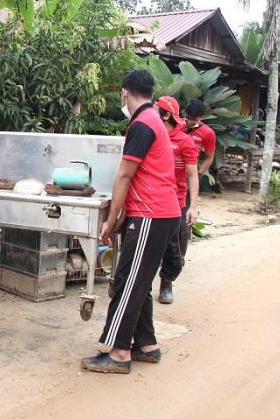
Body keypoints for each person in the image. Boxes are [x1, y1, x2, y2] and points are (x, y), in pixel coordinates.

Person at [81, 70, 180, 374]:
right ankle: (146, 345)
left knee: (128, 284)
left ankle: (120, 352)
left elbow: (124, 175)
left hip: (151, 214)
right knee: (136, 281)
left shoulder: (142, 125)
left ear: (125, 93)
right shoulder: (153, 120)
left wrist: (111, 221)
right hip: (158, 213)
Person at [154, 96, 200, 305]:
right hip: (152, 199)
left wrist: (193, 207)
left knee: (175, 246)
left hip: (177, 202)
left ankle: (166, 282)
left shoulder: (185, 142)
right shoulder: (152, 136)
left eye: (156, 110)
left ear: (166, 115)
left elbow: (192, 175)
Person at [184, 99, 217, 175]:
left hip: (189, 175)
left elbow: (209, 157)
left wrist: (199, 174)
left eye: (194, 119)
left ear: (201, 117)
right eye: (187, 117)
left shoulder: (208, 133)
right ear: (185, 113)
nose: (189, 122)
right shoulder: (176, 125)